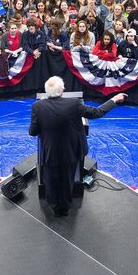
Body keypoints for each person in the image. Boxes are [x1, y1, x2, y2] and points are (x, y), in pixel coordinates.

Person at [29, 76, 126, 216]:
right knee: (68, 179)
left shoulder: (37, 107)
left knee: (50, 180)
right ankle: (66, 207)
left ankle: (54, 206)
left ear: (46, 91)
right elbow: (96, 112)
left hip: (50, 152)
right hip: (71, 151)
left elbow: (33, 132)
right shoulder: (74, 104)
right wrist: (114, 100)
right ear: (62, 91)